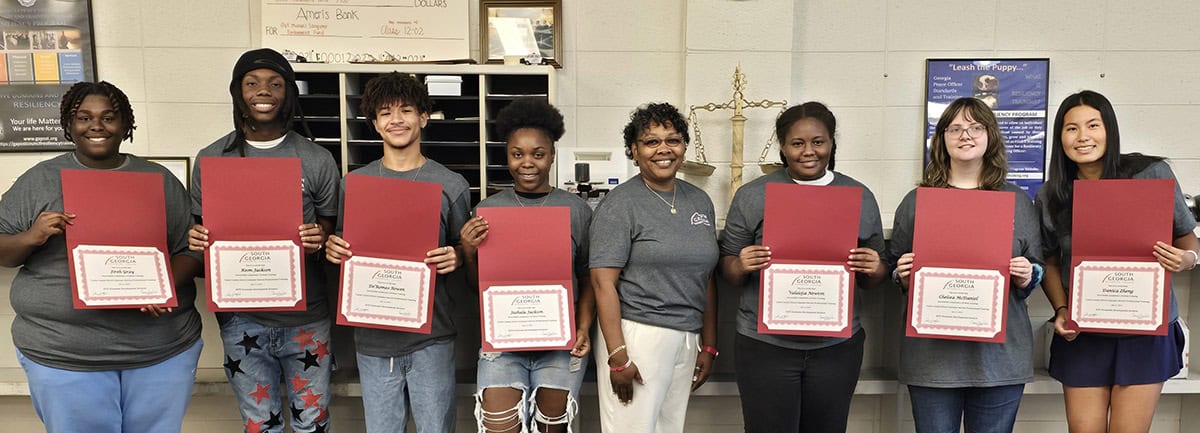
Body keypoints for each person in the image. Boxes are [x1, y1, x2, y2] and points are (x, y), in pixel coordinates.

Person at [0, 81, 203, 433]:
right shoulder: (40, 180)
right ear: (69, 124)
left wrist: (161, 285)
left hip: (160, 350)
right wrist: (32, 236)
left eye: (109, 117)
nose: (97, 126)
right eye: (84, 117)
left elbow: (191, 253)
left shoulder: (159, 179)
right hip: (64, 353)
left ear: (126, 125)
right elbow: (3, 252)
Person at [188, 48, 340, 433]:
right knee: (260, 424)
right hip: (242, 320)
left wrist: (318, 239)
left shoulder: (317, 159)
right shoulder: (211, 159)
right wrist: (198, 239)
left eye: (275, 83)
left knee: (313, 423)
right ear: (238, 92)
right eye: (252, 83)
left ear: (289, 92)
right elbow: (202, 233)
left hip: (306, 317)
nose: (263, 91)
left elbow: (330, 230)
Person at [1037, 90, 1198, 433]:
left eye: (1093, 125)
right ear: (1060, 138)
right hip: (1083, 333)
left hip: (1143, 331)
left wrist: (1187, 259)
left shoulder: (1151, 174)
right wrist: (1062, 310)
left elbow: (1186, 237)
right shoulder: (1051, 194)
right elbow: (1050, 261)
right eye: (1071, 129)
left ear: (1109, 128)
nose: (1083, 137)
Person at [719, 101, 886, 433]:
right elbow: (728, 271)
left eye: (818, 142)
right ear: (783, 146)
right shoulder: (754, 195)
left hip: (836, 348)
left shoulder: (858, 195)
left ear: (831, 143)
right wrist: (741, 263)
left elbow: (875, 276)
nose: (808, 151)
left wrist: (875, 267)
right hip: (765, 347)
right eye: (797, 143)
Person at [886, 97, 1043, 433]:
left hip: (999, 360)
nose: (965, 135)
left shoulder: (1017, 201)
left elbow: (1036, 267)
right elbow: (892, 269)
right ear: (942, 139)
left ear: (991, 136)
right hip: (931, 360)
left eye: (975, 127)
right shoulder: (918, 201)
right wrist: (902, 272)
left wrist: (1027, 274)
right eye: (954, 128)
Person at [323, 71, 468, 433]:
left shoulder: (451, 185)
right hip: (374, 339)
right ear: (374, 123)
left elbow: (466, 248)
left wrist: (459, 255)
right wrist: (333, 249)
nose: (396, 120)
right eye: (385, 113)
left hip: (431, 337)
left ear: (423, 117)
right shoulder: (354, 185)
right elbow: (345, 248)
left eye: (406, 110)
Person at [458, 97, 595, 433]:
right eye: (517, 154)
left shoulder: (576, 210)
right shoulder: (488, 209)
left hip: (561, 345)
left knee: (553, 429)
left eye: (538, 153)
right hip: (503, 345)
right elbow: (476, 286)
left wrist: (583, 327)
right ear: (507, 156)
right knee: (499, 427)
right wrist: (468, 250)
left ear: (552, 155)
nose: (527, 163)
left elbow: (589, 277)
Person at [589, 102, 718, 433]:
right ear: (634, 150)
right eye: (651, 141)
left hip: (687, 336)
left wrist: (709, 344)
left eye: (673, 140)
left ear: (684, 146)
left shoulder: (699, 201)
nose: (664, 149)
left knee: (669, 429)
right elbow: (603, 284)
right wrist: (618, 356)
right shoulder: (620, 204)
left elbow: (705, 276)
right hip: (638, 336)